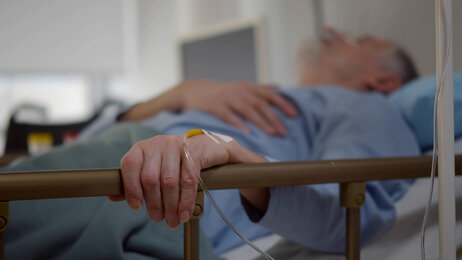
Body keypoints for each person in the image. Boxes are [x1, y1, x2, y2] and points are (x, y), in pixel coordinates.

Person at [2, 28, 420, 259]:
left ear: (382, 82)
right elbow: (82, 144)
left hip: (154, 192)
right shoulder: (260, 94)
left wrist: (229, 151)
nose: (333, 32)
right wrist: (175, 96)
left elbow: (351, 207)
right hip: (104, 161)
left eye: (360, 40)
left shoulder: (365, 108)